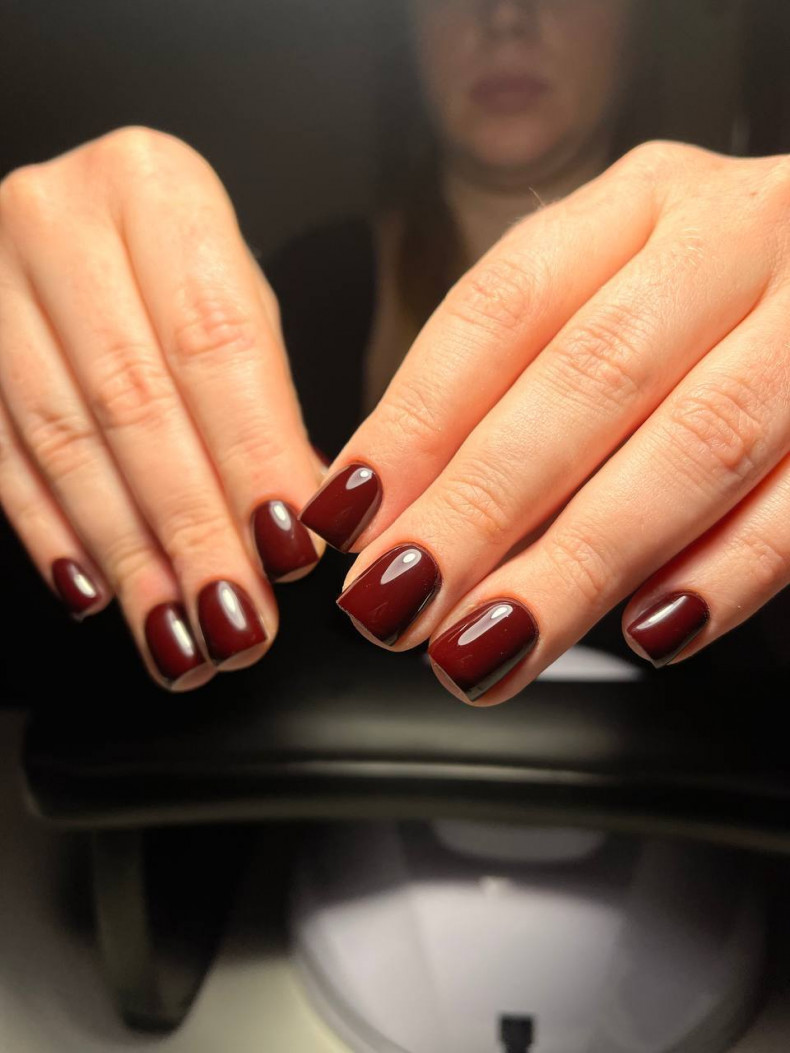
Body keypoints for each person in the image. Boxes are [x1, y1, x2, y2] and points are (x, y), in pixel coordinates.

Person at [0, 0, 787, 702]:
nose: (505, 16)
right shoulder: (289, 293)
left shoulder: (758, 295)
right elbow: (69, 669)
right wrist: (61, 328)